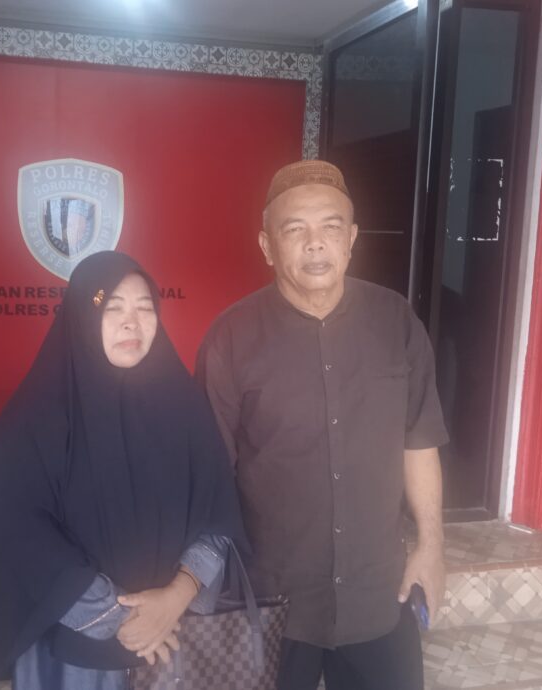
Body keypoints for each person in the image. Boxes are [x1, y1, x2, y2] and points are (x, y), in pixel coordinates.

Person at [196, 160, 448, 690]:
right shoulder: (230, 339)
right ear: (267, 246)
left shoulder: (396, 321)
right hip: (272, 601)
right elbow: (210, 473)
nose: (316, 244)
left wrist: (431, 544)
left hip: (379, 594)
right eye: (295, 230)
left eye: (331, 227)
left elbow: (419, 440)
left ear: (351, 239)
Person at [0, 251, 248, 688]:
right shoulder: (34, 419)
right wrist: (120, 617)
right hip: (72, 652)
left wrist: (176, 596)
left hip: (176, 637)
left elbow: (217, 512)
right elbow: (15, 532)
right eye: (112, 308)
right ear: (81, 317)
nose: (132, 323)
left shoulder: (185, 408)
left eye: (145, 308)